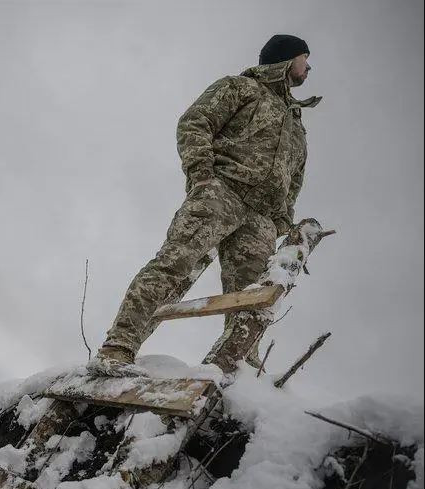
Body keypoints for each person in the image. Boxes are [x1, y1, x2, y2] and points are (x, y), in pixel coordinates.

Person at [90, 35, 321, 375]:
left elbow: (295, 178)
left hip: (261, 219)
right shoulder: (241, 88)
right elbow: (195, 122)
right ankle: (119, 347)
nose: (309, 66)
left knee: (252, 297)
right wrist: (202, 176)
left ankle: (236, 369)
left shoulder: (296, 124)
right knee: (173, 267)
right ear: (287, 60)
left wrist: (282, 220)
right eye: (305, 58)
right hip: (221, 193)